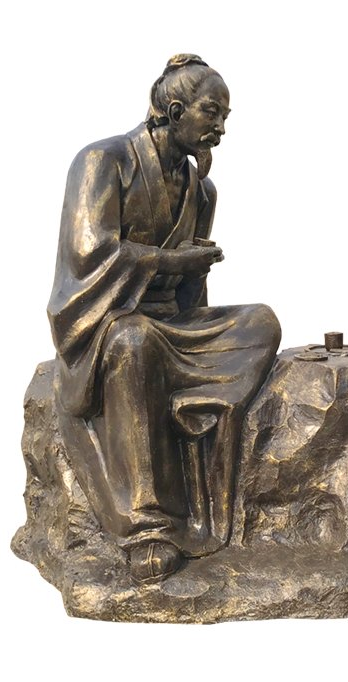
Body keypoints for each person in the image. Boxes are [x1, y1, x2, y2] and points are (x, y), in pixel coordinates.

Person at [48, 54, 281, 582]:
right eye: (212, 113)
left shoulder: (201, 190)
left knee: (261, 322)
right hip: (107, 325)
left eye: (225, 117)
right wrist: (170, 261)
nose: (221, 128)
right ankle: (145, 524)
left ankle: (191, 405)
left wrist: (194, 270)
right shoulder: (102, 161)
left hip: (173, 329)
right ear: (175, 111)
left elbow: (190, 301)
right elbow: (89, 254)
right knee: (134, 342)